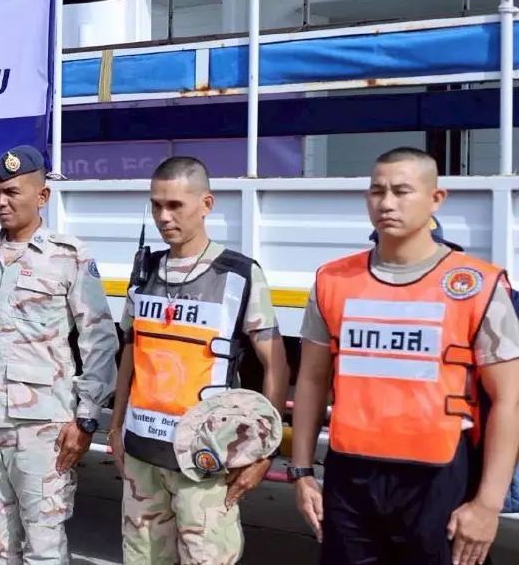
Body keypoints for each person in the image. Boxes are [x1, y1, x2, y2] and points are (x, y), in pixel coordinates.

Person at [290, 146, 519, 565]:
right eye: (377, 191)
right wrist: (302, 472)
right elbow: (311, 380)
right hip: (350, 477)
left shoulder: (478, 285)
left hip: (439, 480)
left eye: (401, 191)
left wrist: (487, 505)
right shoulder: (333, 280)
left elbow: (510, 400)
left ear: (436, 198)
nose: (386, 203)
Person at [108, 155, 289, 565]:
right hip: (142, 455)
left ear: (206, 204)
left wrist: (264, 451)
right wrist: (116, 427)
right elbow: (131, 352)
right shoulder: (144, 272)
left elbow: (276, 363)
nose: (163, 217)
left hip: (205, 460)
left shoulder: (238, 274)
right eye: (156, 205)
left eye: (175, 205)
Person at [0, 146, 119, 564]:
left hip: (42, 426)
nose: (1, 202)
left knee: (43, 544)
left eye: (12, 192)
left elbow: (99, 340)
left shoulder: (68, 256)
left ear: (42, 196)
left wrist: (86, 417)